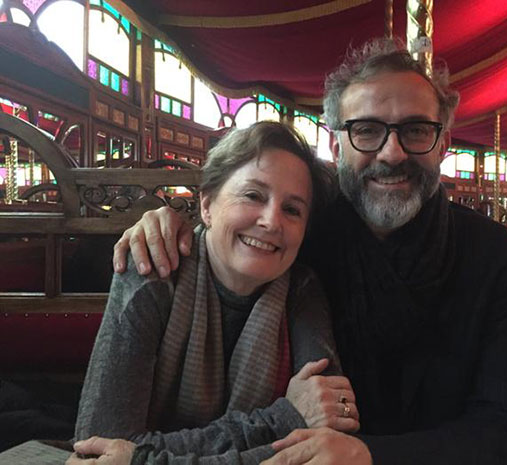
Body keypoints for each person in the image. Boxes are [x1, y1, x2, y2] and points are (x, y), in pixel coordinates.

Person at [106, 38, 507, 465]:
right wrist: (166, 222)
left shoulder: (494, 257)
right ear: (336, 147)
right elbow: (228, 230)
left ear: (442, 145)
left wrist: (376, 456)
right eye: (367, 130)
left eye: (415, 130)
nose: (392, 153)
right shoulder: (299, 236)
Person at [68, 122, 360, 465]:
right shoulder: (152, 267)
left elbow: (325, 449)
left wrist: (142, 459)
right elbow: (96, 449)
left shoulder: (302, 288)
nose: (271, 221)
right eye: (253, 195)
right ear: (206, 205)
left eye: (292, 209)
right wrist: (282, 419)